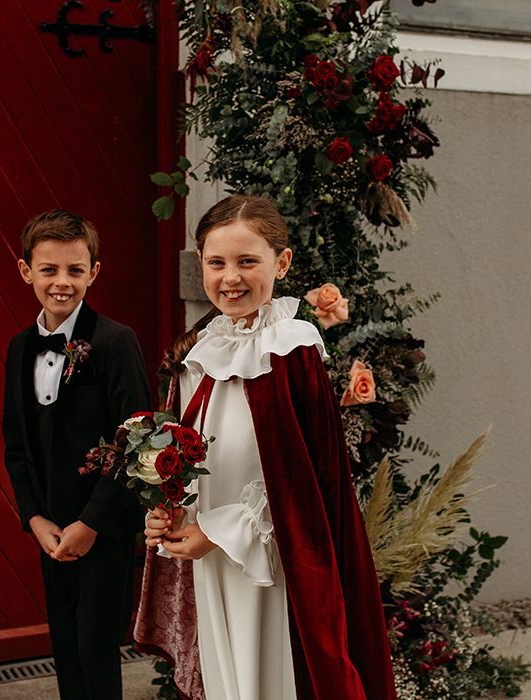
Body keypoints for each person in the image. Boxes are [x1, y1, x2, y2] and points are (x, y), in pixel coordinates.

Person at [134, 195, 397, 700]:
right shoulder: (201, 348)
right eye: (216, 263)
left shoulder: (291, 350)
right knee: (226, 679)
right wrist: (166, 511)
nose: (230, 277)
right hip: (208, 558)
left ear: (282, 262)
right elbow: (187, 455)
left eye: (246, 261)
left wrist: (220, 529)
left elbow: (303, 484)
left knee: (269, 679)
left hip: (270, 564)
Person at [2, 210, 149, 700]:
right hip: (52, 529)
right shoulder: (20, 348)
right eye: (48, 269)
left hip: (101, 528)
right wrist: (35, 517)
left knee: (96, 649)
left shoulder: (114, 341)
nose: (61, 282)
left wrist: (91, 524)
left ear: (94, 272)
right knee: (63, 646)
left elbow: (137, 442)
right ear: (26, 271)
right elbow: (17, 443)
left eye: (74, 270)